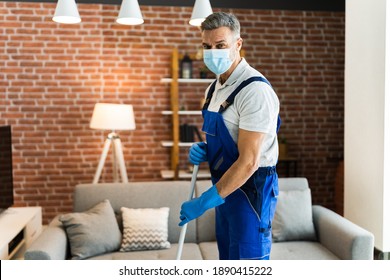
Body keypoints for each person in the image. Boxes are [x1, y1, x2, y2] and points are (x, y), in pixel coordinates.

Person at [178, 12, 281, 260]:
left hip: (250, 191)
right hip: (224, 193)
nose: (213, 52)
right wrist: (206, 148)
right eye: (207, 46)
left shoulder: (255, 91)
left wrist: (203, 202)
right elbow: (228, 138)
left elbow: (248, 162)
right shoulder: (214, 87)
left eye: (220, 45)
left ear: (238, 44)